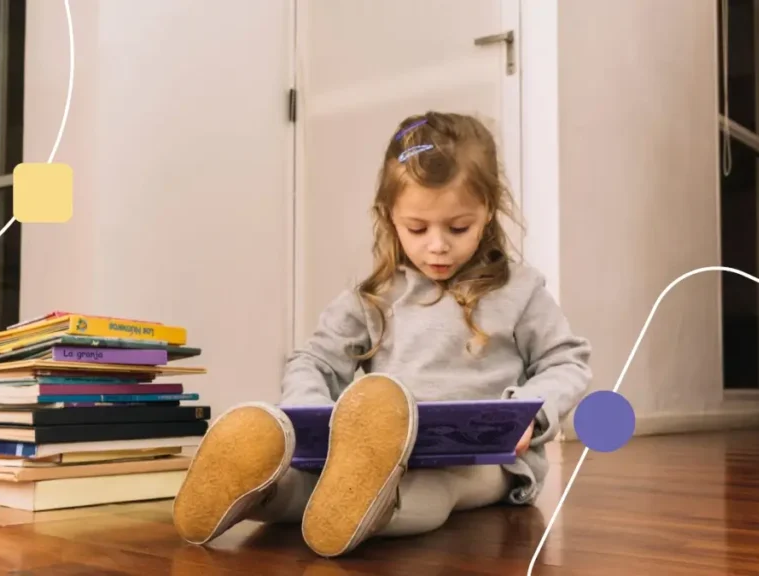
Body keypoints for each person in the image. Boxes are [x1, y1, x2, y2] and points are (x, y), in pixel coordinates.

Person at [171, 111, 592, 558]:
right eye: (417, 228)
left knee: (436, 486)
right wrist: (315, 417)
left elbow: (565, 360)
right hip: (379, 452)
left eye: (458, 227)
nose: (437, 245)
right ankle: (258, 491)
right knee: (322, 477)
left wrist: (533, 414)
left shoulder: (520, 291)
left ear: (488, 210)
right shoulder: (373, 297)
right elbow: (313, 360)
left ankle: (363, 507)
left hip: (485, 457)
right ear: (389, 217)